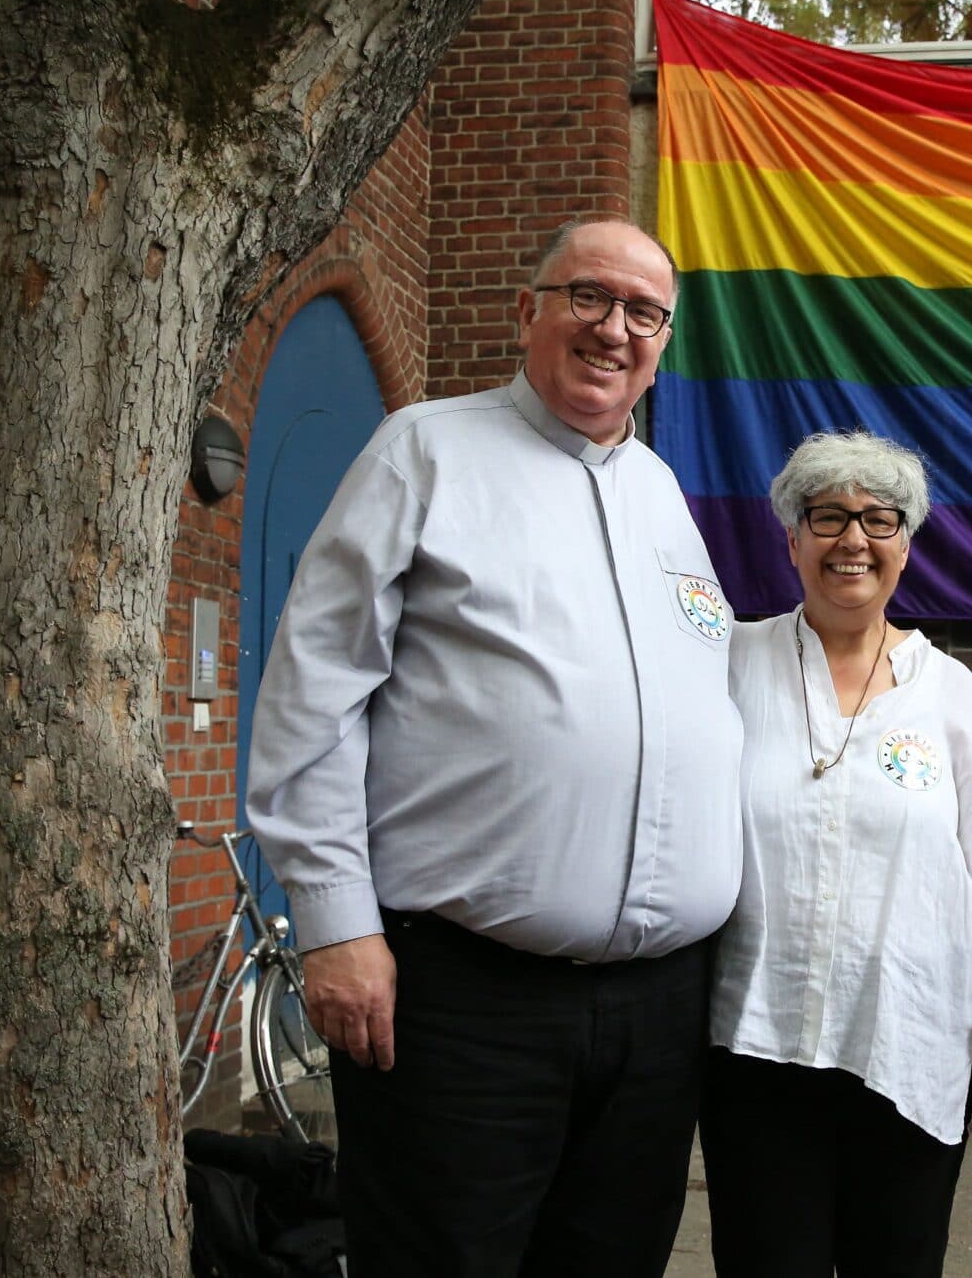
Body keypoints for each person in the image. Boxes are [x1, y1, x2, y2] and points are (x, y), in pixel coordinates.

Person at [244, 218, 743, 1277]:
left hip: (655, 1014)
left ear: (664, 340)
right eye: (588, 297)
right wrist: (334, 926)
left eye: (643, 313)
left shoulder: (659, 494)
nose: (615, 329)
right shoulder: (423, 450)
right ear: (529, 310)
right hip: (465, 1007)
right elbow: (312, 691)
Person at [702, 430, 972, 1277]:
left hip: (905, 1044)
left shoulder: (950, 691)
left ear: (906, 542)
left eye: (879, 519)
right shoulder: (732, 662)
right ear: (790, 538)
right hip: (756, 1046)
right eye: (827, 516)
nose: (852, 539)